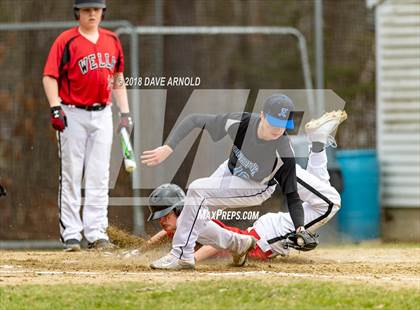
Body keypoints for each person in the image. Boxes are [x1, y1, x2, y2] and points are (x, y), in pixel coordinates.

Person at [142, 93, 325, 270]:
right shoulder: (240, 123)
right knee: (194, 217)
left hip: (257, 187)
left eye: (284, 124)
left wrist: (299, 227)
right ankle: (240, 244)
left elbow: (292, 196)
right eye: (274, 122)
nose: (278, 129)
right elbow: (194, 119)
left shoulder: (284, 152)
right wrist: (169, 147)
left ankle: (181, 256)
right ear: (262, 116)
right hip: (229, 171)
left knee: (197, 189)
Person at [43, 0, 131, 252]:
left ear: (103, 11)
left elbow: (117, 78)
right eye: (86, 9)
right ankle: (71, 233)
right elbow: (49, 76)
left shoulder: (112, 40)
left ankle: (96, 232)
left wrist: (124, 112)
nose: (92, 13)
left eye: (96, 9)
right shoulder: (66, 41)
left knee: (99, 174)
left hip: (103, 113)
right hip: (73, 113)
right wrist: (55, 107)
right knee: (71, 173)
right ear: (77, 13)